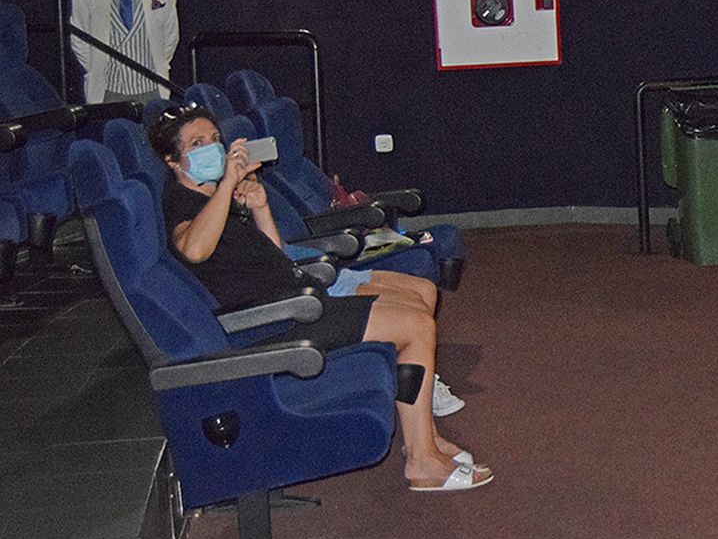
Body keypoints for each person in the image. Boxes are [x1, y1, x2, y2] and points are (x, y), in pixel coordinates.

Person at [150, 107, 493, 492]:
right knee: (415, 326)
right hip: (276, 321)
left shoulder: (216, 195)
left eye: (215, 139)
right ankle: (421, 461)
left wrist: (260, 207)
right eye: (198, 144)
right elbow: (193, 249)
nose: (212, 148)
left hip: (294, 294)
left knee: (415, 311)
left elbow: (274, 256)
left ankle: (425, 438)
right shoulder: (181, 201)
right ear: (172, 160)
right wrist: (228, 184)